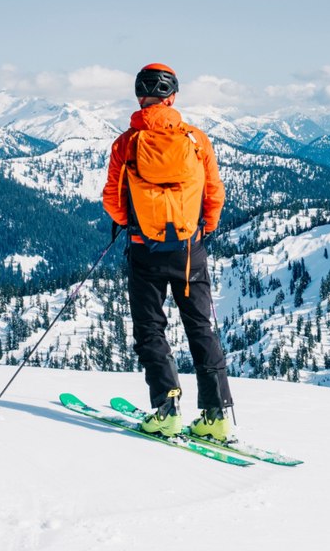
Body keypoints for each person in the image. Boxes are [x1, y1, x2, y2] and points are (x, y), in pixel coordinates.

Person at [102, 62, 235, 440]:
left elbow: (112, 198)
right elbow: (214, 192)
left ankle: (166, 408)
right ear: (172, 96)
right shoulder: (195, 139)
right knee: (200, 327)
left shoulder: (125, 143)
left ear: (139, 96)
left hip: (145, 250)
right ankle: (216, 416)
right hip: (190, 251)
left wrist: (132, 222)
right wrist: (203, 228)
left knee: (150, 329)